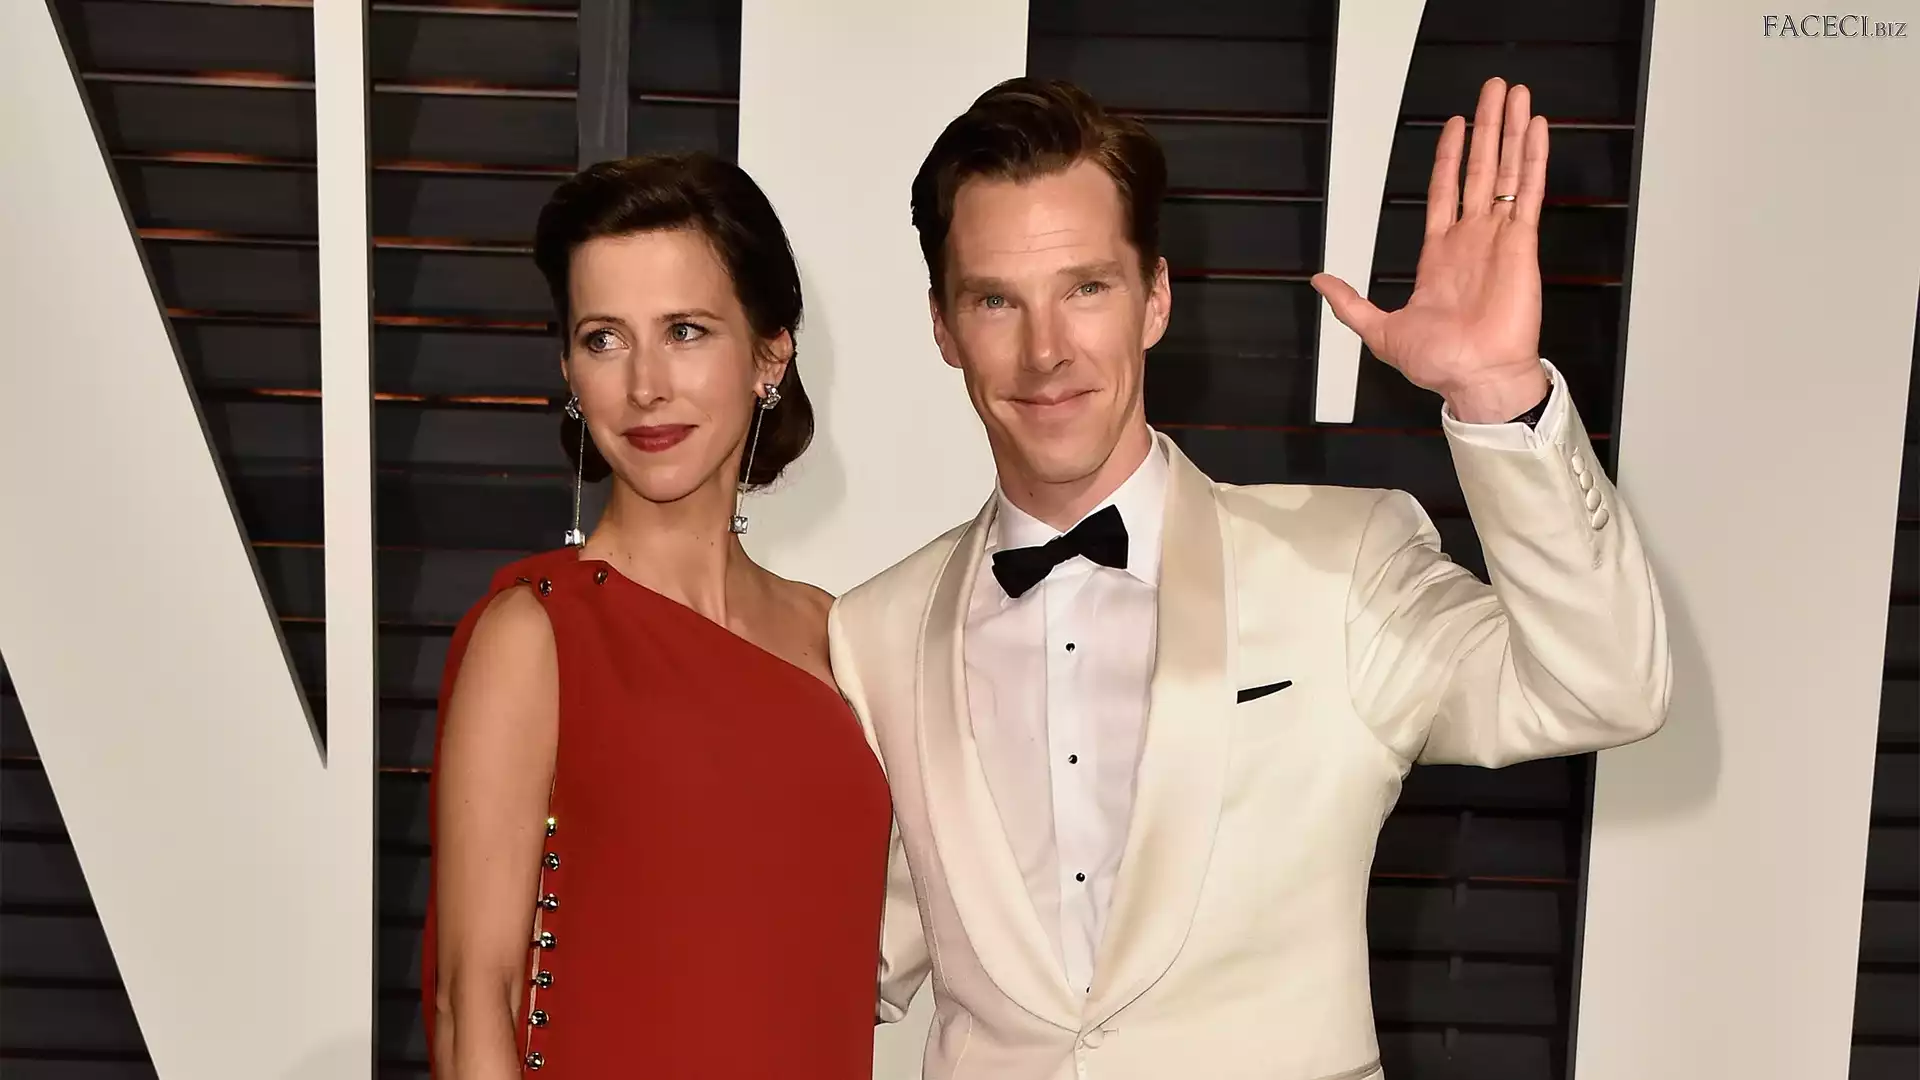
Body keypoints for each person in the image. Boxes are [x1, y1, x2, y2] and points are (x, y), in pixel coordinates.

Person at [827, 76, 1671, 1080]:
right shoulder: (872, 634)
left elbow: (1604, 686)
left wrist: (1497, 392)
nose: (1046, 351)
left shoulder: (1337, 566)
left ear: (1156, 297)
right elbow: (834, 956)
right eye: (996, 300)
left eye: (1087, 288)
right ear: (942, 326)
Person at [421, 153, 890, 1077]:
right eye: (604, 339)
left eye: (684, 331)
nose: (644, 386)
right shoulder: (536, 636)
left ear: (770, 355)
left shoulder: (835, 635)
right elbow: (473, 999)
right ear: (569, 369)